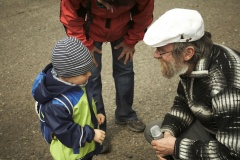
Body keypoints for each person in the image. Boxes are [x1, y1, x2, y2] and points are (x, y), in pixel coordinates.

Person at [143, 8, 240, 160]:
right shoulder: (195, 61)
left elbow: (232, 152)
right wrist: (170, 131)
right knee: (155, 132)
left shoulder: (224, 87)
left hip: (231, 146)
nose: (155, 55)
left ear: (188, 52)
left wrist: (176, 148)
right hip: (216, 128)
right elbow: (184, 100)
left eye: (161, 50)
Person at [60, 0, 154, 153]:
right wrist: (84, 45)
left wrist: (131, 41)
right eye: (104, 3)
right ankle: (96, 128)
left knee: (125, 71)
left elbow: (144, 14)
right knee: (90, 78)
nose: (110, 9)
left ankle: (125, 113)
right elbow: (69, 16)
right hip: (91, 30)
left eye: (116, 4)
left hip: (122, 31)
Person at [32, 37, 106, 160]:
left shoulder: (78, 82)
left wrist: (97, 111)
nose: (89, 74)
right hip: (72, 154)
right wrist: (91, 134)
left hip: (84, 145)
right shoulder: (56, 104)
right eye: (84, 73)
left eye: (88, 70)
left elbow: (88, 100)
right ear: (66, 75)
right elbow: (65, 131)